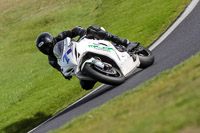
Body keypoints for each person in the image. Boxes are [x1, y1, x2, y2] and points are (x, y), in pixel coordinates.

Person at [36, 25, 139, 90]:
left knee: (93, 29)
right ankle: (102, 71)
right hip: (78, 64)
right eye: (44, 49)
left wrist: (80, 31)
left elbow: (73, 31)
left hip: (81, 47)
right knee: (85, 86)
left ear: (52, 40)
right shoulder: (52, 60)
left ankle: (123, 42)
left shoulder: (60, 37)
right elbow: (61, 70)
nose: (48, 49)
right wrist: (66, 75)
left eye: (48, 46)